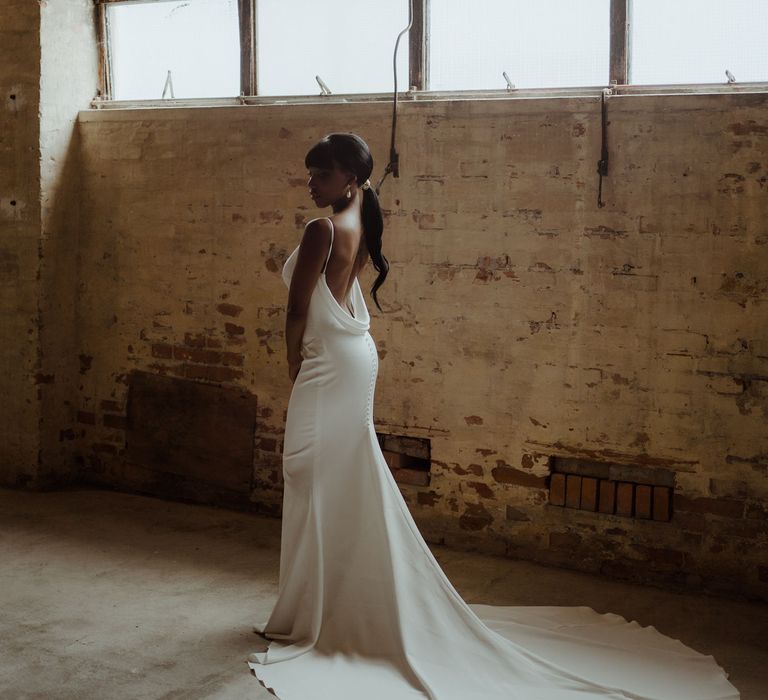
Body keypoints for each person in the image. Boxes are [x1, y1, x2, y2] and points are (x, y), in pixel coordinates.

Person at [247, 132, 739, 699]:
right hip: (355, 358)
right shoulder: (362, 216)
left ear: (349, 179)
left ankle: (317, 612)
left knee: (310, 476)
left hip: (327, 364)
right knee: (339, 478)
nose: (311, 184)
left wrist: (293, 362)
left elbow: (297, 309)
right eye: (309, 175)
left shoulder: (322, 229)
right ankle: (325, 604)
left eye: (321, 175)